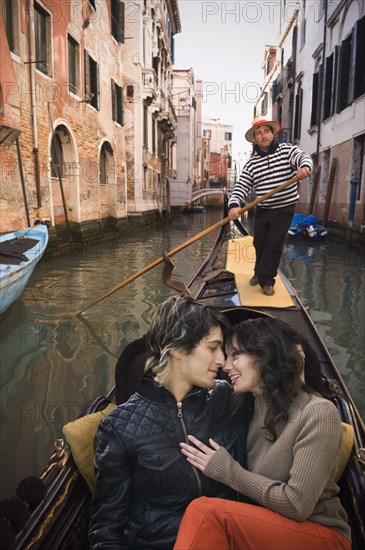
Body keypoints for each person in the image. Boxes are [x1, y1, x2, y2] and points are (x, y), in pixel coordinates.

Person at [174, 317, 351, 550]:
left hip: (320, 534)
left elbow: (298, 505)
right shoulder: (250, 404)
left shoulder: (318, 413)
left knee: (207, 512)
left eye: (235, 355)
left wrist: (228, 471)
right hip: (266, 524)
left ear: (267, 355)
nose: (226, 366)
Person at [89, 296, 245, 549]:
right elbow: (106, 528)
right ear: (178, 349)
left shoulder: (228, 398)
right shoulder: (118, 426)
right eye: (213, 348)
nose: (222, 360)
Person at [228, 116, 313, 296]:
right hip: (264, 208)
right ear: (255, 139)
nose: (263, 135)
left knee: (273, 243)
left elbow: (302, 157)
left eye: (266, 131)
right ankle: (259, 273)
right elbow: (242, 185)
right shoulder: (251, 163)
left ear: (272, 133)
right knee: (259, 243)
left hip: (284, 208)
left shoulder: (287, 151)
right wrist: (234, 204)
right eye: (258, 133)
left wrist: (304, 167)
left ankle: (267, 280)